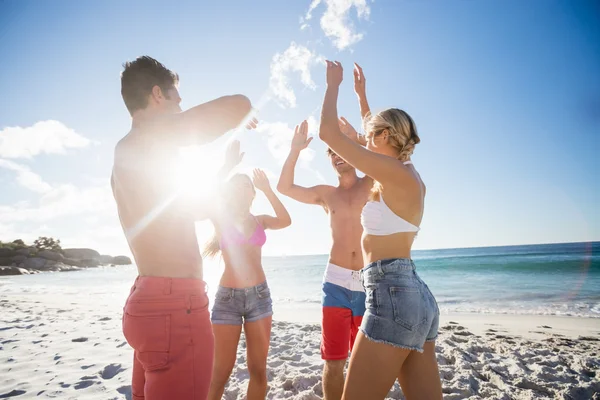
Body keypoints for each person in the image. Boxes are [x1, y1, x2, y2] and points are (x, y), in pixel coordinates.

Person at [112, 55, 256, 400]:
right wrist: (246, 108)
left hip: (146, 304)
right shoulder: (149, 135)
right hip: (175, 308)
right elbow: (236, 107)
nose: (181, 107)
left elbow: (190, 209)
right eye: (178, 99)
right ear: (157, 94)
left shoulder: (128, 154)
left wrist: (221, 171)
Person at [318, 61, 442, 400]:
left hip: (392, 294)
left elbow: (328, 134)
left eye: (371, 135)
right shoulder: (406, 175)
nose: (361, 140)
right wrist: (362, 97)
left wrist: (333, 86)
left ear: (385, 136)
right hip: (415, 297)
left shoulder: (392, 173)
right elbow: (369, 140)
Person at [277, 110, 373, 399]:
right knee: (334, 362)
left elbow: (389, 160)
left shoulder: (372, 183)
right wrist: (294, 150)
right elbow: (285, 187)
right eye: (332, 153)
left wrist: (359, 139)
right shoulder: (326, 193)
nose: (336, 156)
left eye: (342, 150)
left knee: (365, 364)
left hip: (369, 284)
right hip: (335, 284)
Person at [205, 167, 291, 400]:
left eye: (246, 185)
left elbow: (286, 220)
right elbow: (206, 196)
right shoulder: (221, 219)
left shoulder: (261, 221)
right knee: (220, 372)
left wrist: (267, 189)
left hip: (259, 299)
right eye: (236, 185)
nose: (242, 188)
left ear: (253, 193)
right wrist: (226, 166)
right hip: (227, 300)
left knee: (258, 370)